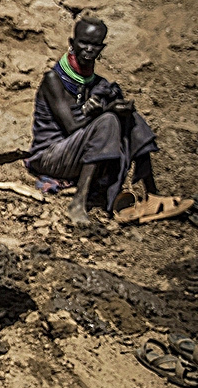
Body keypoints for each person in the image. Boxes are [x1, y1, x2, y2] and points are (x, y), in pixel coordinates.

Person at [27, 16, 190, 231]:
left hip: (75, 155)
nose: (88, 50)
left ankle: (152, 193)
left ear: (102, 48)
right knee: (108, 120)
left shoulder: (98, 83)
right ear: (71, 43)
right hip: (49, 156)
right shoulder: (54, 80)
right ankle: (79, 202)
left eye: (95, 45)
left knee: (127, 117)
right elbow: (72, 126)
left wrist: (120, 109)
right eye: (83, 43)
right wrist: (107, 111)